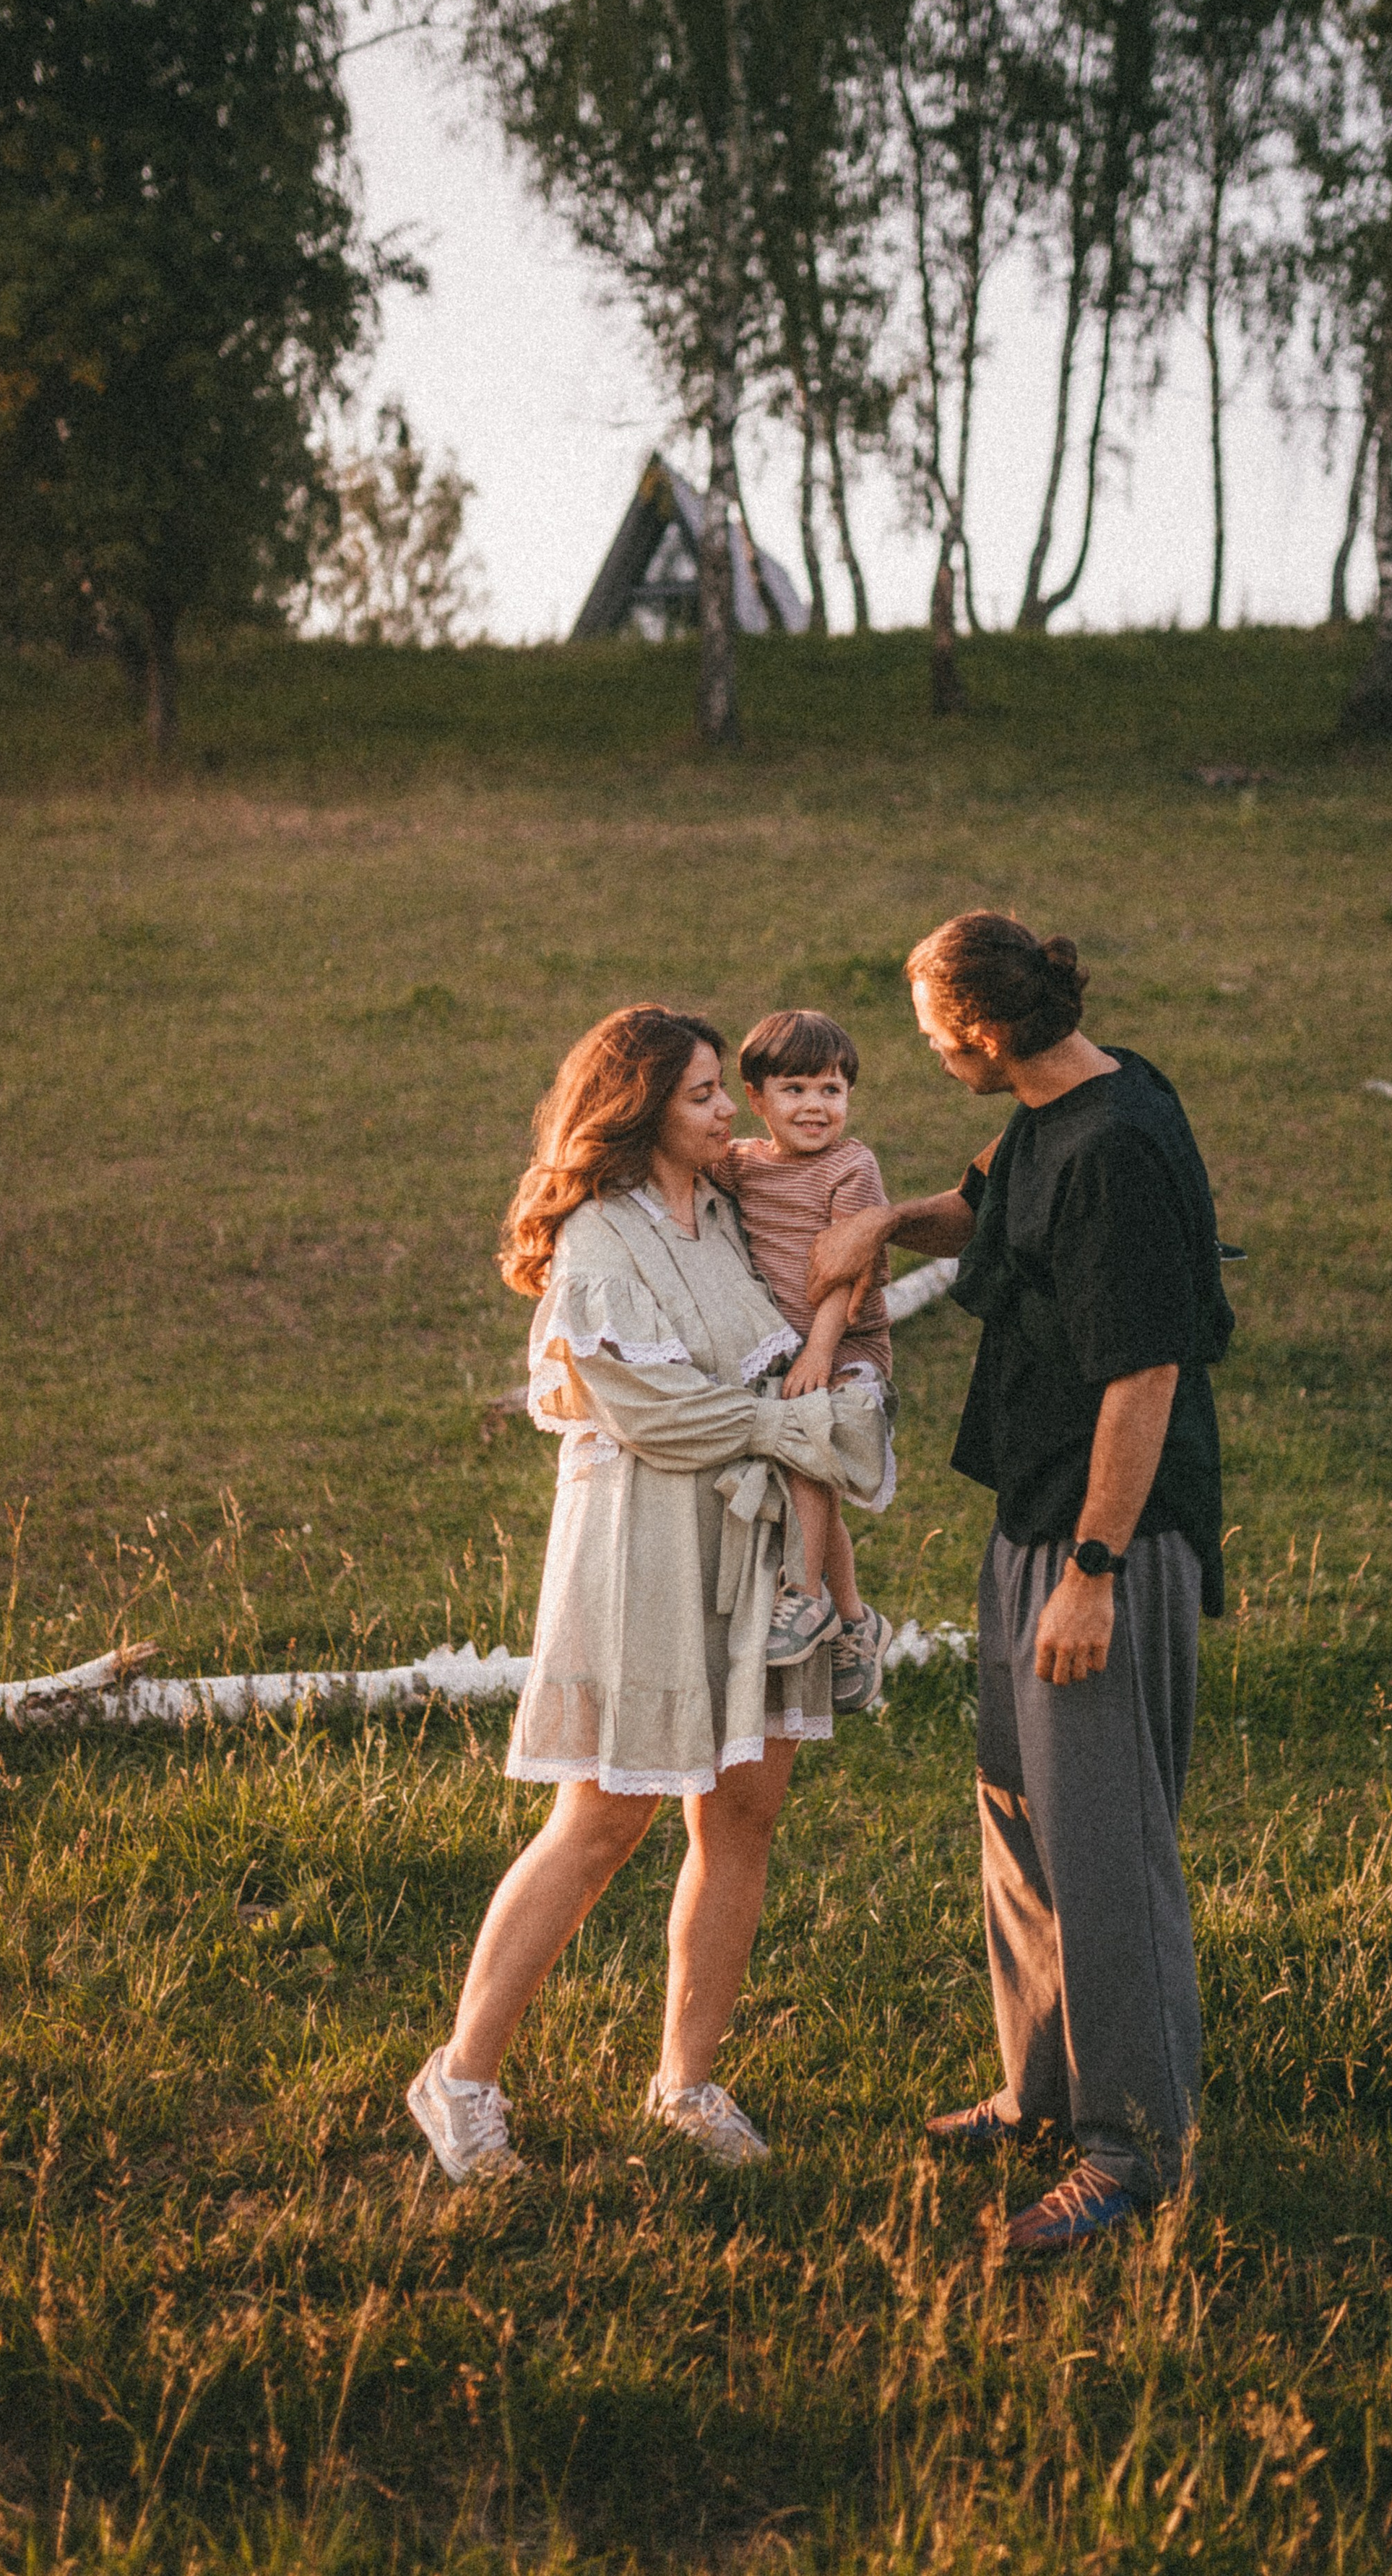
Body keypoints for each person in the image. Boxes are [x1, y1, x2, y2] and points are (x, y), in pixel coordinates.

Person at [807, 913, 1233, 2259]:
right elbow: (989, 1202)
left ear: (982, 1036)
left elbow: (1145, 1375)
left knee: (1105, 1841)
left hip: (1107, 1537)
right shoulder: (1066, 1098)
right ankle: (1041, 2086)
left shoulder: (1118, 1149)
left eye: (930, 1035)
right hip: (1035, 1516)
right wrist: (881, 1220)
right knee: (1018, 1805)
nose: (925, 1054)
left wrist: (1094, 1575)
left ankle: (1134, 2148)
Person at [407, 1005, 889, 2182]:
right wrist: (800, 1425)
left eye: (728, 1091)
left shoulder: (733, 1208)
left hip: (760, 1546)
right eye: (705, 1096)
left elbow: (826, 1298)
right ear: (639, 1112)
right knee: (604, 1818)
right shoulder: (600, 1239)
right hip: (644, 1551)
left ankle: (687, 2078)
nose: (732, 1112)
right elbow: (655, 1413)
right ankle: (462, 2075)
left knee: (743, 1815)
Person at [710, 1008, 895, 1711]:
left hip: (844, 1343)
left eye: (831, 1090)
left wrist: (820, 1350)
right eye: (794, 1090)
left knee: (809, 1447)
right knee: (809, 1488)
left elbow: (849, 1271)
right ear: (754, 1099)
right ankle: (856, 1623)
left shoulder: (852, 1166)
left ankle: (807, 1596)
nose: (815, 1106)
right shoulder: (743, 1165)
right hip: (786, 1349)